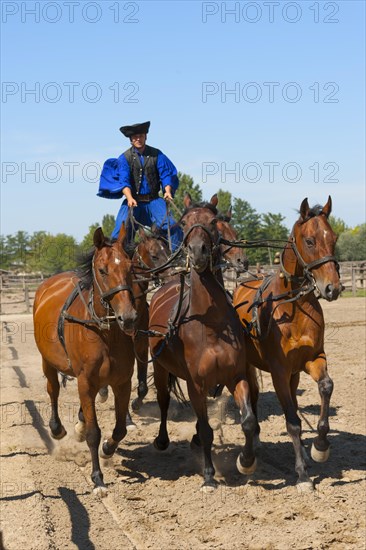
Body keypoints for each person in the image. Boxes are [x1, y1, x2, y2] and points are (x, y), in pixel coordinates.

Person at [97, 121, 183, 251]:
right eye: (135, 137)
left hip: (154, 201)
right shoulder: (124, 158)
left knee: (173, 227)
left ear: (145, 137)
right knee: (119, 233)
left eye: (141, 136)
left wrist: (167, 191)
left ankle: (176, 259)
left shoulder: (157, 154)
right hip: (133, 202)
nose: (138, 139)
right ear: (131, 140)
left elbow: (166, 174)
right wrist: (130, 198)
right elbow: (124, 181)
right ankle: (118, 263)